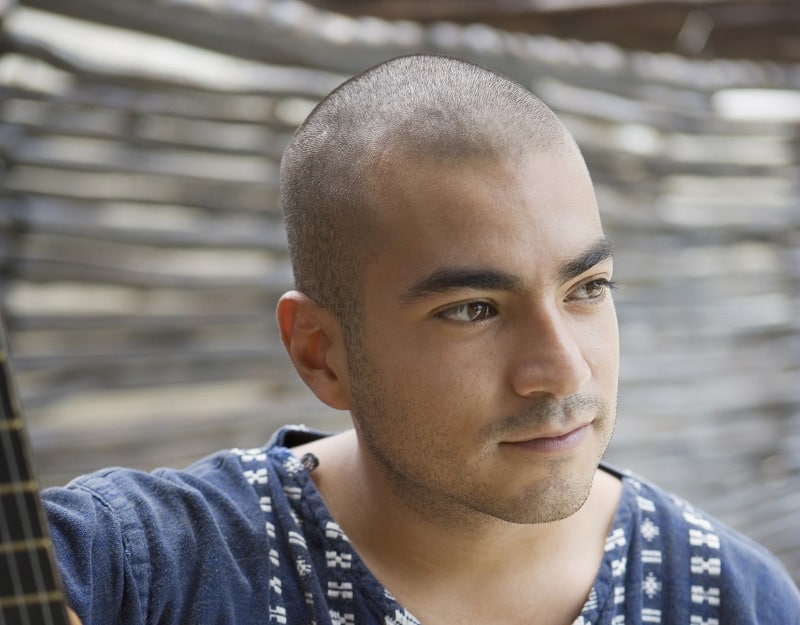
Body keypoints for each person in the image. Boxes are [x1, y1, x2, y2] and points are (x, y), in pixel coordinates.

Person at [46, 54, 799, 625]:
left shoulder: (733, 595)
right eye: (473, 309)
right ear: (320, 351)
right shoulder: (139, 573)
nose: (562, 371)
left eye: (586, 290)